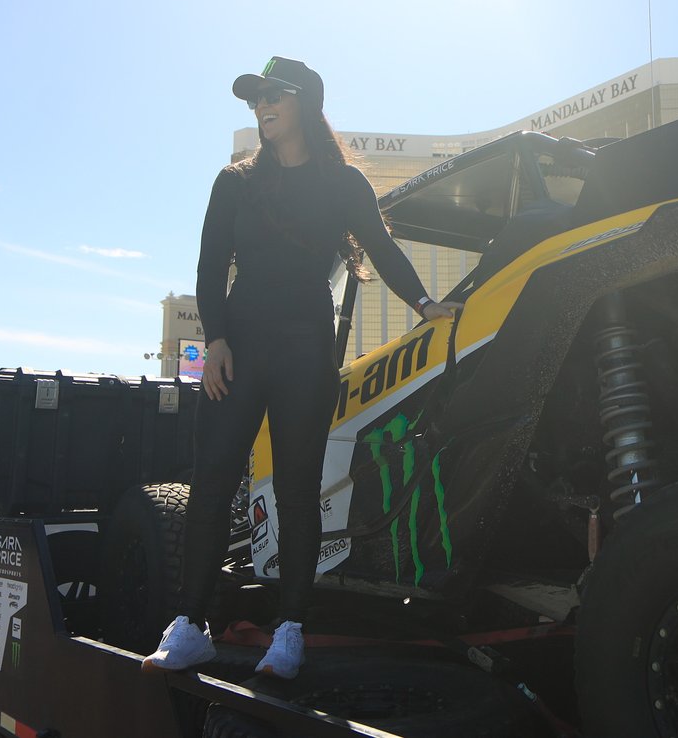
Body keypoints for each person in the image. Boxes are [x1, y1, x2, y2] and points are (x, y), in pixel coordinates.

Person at [143, 57, 460, 678]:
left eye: (272, 96)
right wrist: (217, 341)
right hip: (241, 347)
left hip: (305, 348)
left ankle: (290, 630)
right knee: (212, 480)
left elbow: (381, 244)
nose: (261, 107)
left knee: (296, 486)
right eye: (254, 98)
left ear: (306, 104)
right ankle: (190, 626)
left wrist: (425, 304)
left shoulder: (343, 185)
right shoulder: (233, 183)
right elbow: (210, 269)